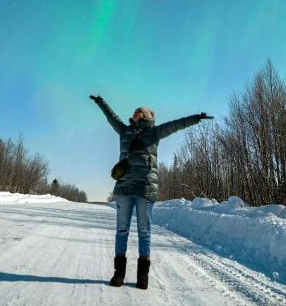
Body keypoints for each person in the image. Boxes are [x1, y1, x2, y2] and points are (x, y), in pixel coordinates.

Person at [89, 94, 212, 290]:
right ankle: (119, 273)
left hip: (146, 189)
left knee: (144, 232)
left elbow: (175, 125)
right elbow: (111, 117)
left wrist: (196, 118)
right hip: (124, 189)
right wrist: (101, 102)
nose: (133, 114)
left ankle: (142, 276)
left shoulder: (154, 133)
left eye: (137, 112)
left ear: (145, 116)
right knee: (122, 231)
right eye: (133, 113)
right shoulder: (124, 131)